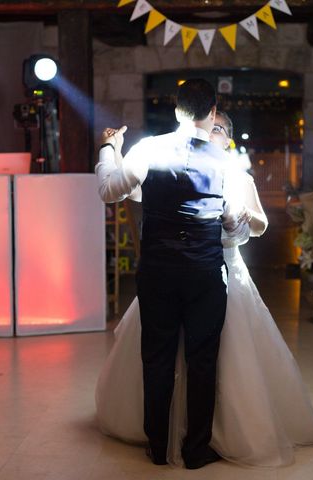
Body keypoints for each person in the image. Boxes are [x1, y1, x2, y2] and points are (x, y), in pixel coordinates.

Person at [95, 111, 313, 467]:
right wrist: (112, 151)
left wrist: (235, 221)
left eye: (220, 129)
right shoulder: (167, 169)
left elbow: (256, 225)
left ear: (226, 138)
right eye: (212, 126)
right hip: (178, 274)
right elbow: (122, 187)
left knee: (213, 359)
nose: (212, 133)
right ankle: (166, 436)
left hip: (220, 273)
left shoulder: (234, 174)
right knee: (167, 356)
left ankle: (207, 435)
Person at [95, 80, 248, 470]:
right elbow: (234, 228)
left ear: (176, 109)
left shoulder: (148, 148)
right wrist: (233, 224)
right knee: (202, 360)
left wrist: (108, 149)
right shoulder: (225, 161)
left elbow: (110, 190)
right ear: (212, 111)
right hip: (205, 273)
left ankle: (159, 446)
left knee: (157, 357)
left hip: (158, 271)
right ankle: (196, 449)